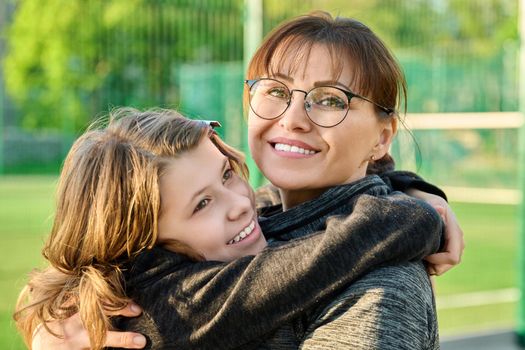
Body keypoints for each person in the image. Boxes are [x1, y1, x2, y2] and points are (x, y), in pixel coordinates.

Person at [30, 11, 464, 349]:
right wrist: (50, 318)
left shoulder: (379, 283)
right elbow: (83, 263)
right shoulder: (262, 213)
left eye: (331, 100)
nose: (293, 119)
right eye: (275, 90)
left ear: (382, 137)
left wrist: (409, 211)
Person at [18, 108, 443, 350]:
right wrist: (414, 210)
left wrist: (408, 185)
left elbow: (267, 201)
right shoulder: (168, 307)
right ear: (140, 244)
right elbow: (384, 231)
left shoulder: (116, 289)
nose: (240, 204)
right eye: (202, 204)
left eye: (226, 174)